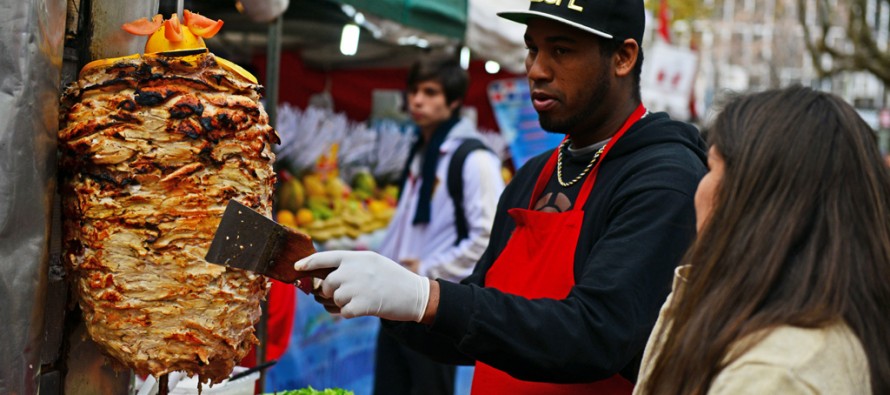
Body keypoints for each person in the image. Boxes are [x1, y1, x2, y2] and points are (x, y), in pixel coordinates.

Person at [296, 1, 707, 393]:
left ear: (623, 57)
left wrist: (428, 298)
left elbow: (597, 335)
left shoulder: (664, 178)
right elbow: (480, 322)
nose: (536, 70)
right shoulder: (533, 175)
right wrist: (391, 299)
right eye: (532, 49)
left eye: (561, 51)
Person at [634, 86, 890, 394]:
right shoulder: (834, 323)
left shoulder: (772, 375)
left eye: (711, 167)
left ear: (756, 198)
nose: (698, 186)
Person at [372, 59, 505, 395]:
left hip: (438, 308)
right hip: (396, 303)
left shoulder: (475, 160)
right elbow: (404, 225)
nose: (417, 100)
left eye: (430, 93)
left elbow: (489, 238)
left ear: (455, 101)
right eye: (414, 91)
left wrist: (429, 269)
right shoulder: (422, 153)